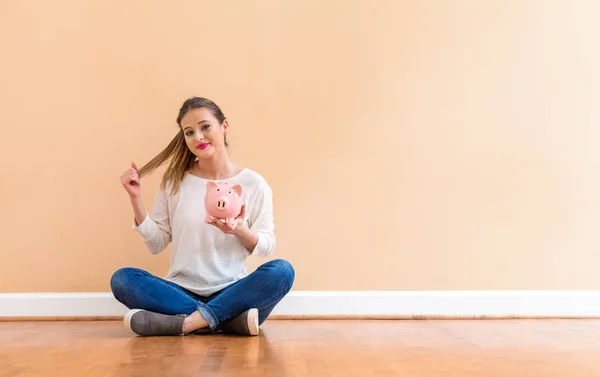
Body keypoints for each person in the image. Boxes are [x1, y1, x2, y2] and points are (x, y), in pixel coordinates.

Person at [110, 97, 295, 337]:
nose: (197, 137)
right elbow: (157, 244)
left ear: (224, 126)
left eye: (205, 127)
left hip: (232, 290)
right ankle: (228, 321)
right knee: (123, 280)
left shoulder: (253, 184)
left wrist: (238, 229)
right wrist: (135, 198)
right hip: (180, 290)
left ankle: (186, 323)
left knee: (282, 271)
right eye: (189, 132)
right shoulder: (175, 180)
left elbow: (266, 246)